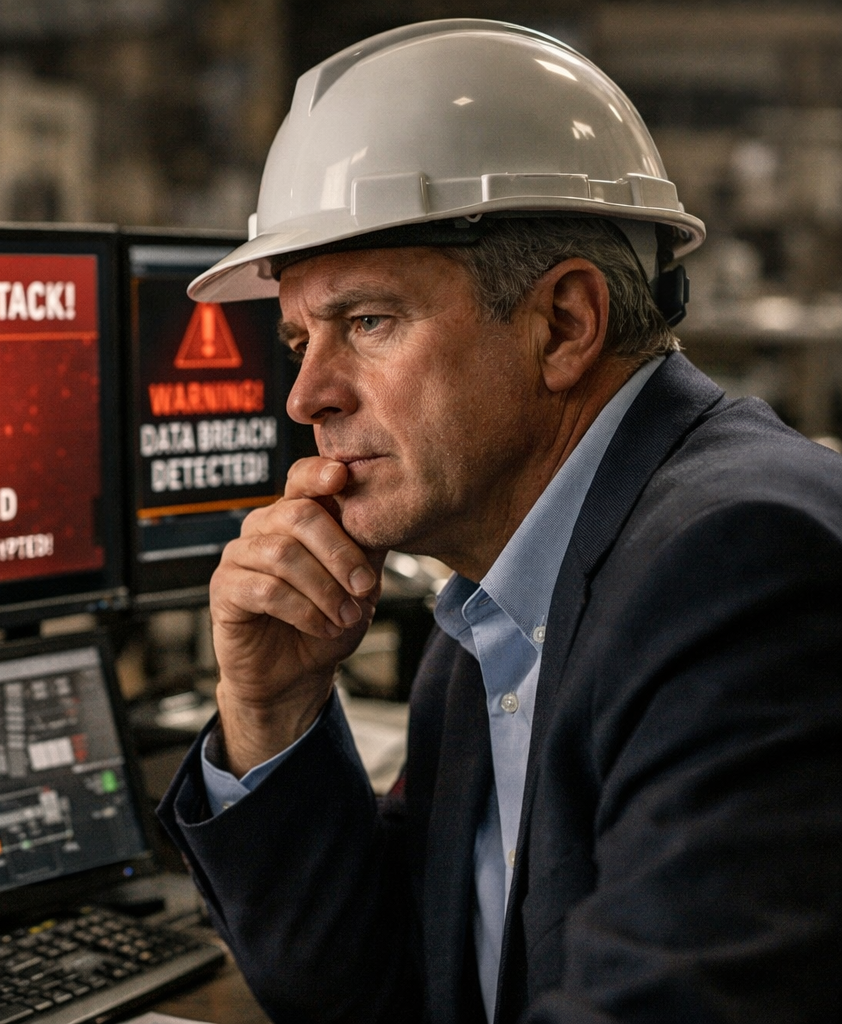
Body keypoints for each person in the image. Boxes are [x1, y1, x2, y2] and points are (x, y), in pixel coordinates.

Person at [157, 19, 842, 1023]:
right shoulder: (495, 611)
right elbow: (377, 998)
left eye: (368, 322)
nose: (306, 395)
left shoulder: (739, 569)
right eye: (300, 336)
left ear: (563, 324)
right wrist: (274, 713)